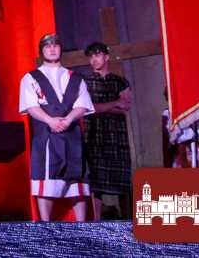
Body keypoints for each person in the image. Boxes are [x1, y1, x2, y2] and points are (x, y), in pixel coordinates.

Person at [19, 33, 94, 221]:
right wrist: (50, 121)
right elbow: (31, 106)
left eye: (55, 45)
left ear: (61, 49)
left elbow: (82, 105)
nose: (52, 49)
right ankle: (45, 225)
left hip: (72, 134)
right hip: (46, 134)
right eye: (47, 46)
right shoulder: (31, 78)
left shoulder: (75, 78)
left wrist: (68, 120)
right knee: (46, 178)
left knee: (77, 178)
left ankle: (82, 226)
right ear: (41, 51)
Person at [81, 42, 132, 220]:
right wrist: (115, 103)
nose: (94, 59)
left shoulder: (120, 81)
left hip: (117, 136)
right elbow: (88, 108)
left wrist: (102, 107)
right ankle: (96, 222)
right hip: (95, 135)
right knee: (96, 183)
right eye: (91, 56)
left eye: (97, 55)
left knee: (123, 180)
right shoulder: (85, 83)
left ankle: (127, 221)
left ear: (106, 57)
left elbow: (125, 107)